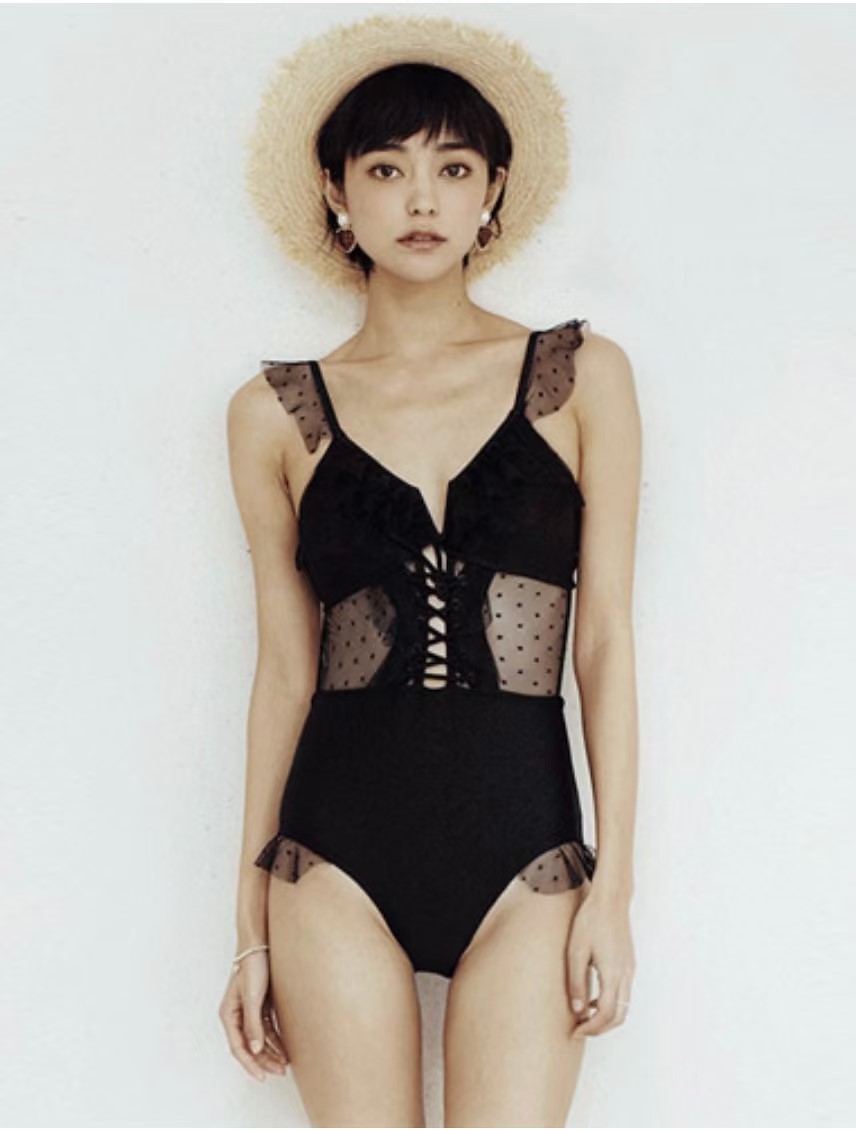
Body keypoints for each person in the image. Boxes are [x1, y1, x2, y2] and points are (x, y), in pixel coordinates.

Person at [220, 14, 641, 1127]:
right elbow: (283, 672)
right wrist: (248, 926)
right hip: (332, 853)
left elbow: (603, 640)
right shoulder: (273, 413)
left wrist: (615, 889)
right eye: (385, 168)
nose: (421, 199)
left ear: (492, 192)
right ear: (335, 192)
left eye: (453, 168)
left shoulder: (579, 376)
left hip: (529, 851)